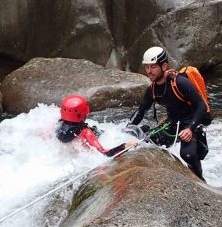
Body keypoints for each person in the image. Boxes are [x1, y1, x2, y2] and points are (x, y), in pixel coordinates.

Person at [128, 46, 209, 181]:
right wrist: (128, 127)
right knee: (145, 142)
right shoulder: (152, 90)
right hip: (172, 124)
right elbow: (141, 111)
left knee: (187, 154)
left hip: (192, 123)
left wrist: (190, 129)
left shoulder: (180, 83)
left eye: (153, 67)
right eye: (147, 67)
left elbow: (201, 105)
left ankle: (200, 180)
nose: (149, 71)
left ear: (164, 66)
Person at [56, 94, 137, 157]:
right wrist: (125, 146)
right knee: (102, 131)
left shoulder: (58, 126)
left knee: (96, 129)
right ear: (81, 115)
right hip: (94, 142)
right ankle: (128, 131)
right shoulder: (86, 132)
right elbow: (105, 154)